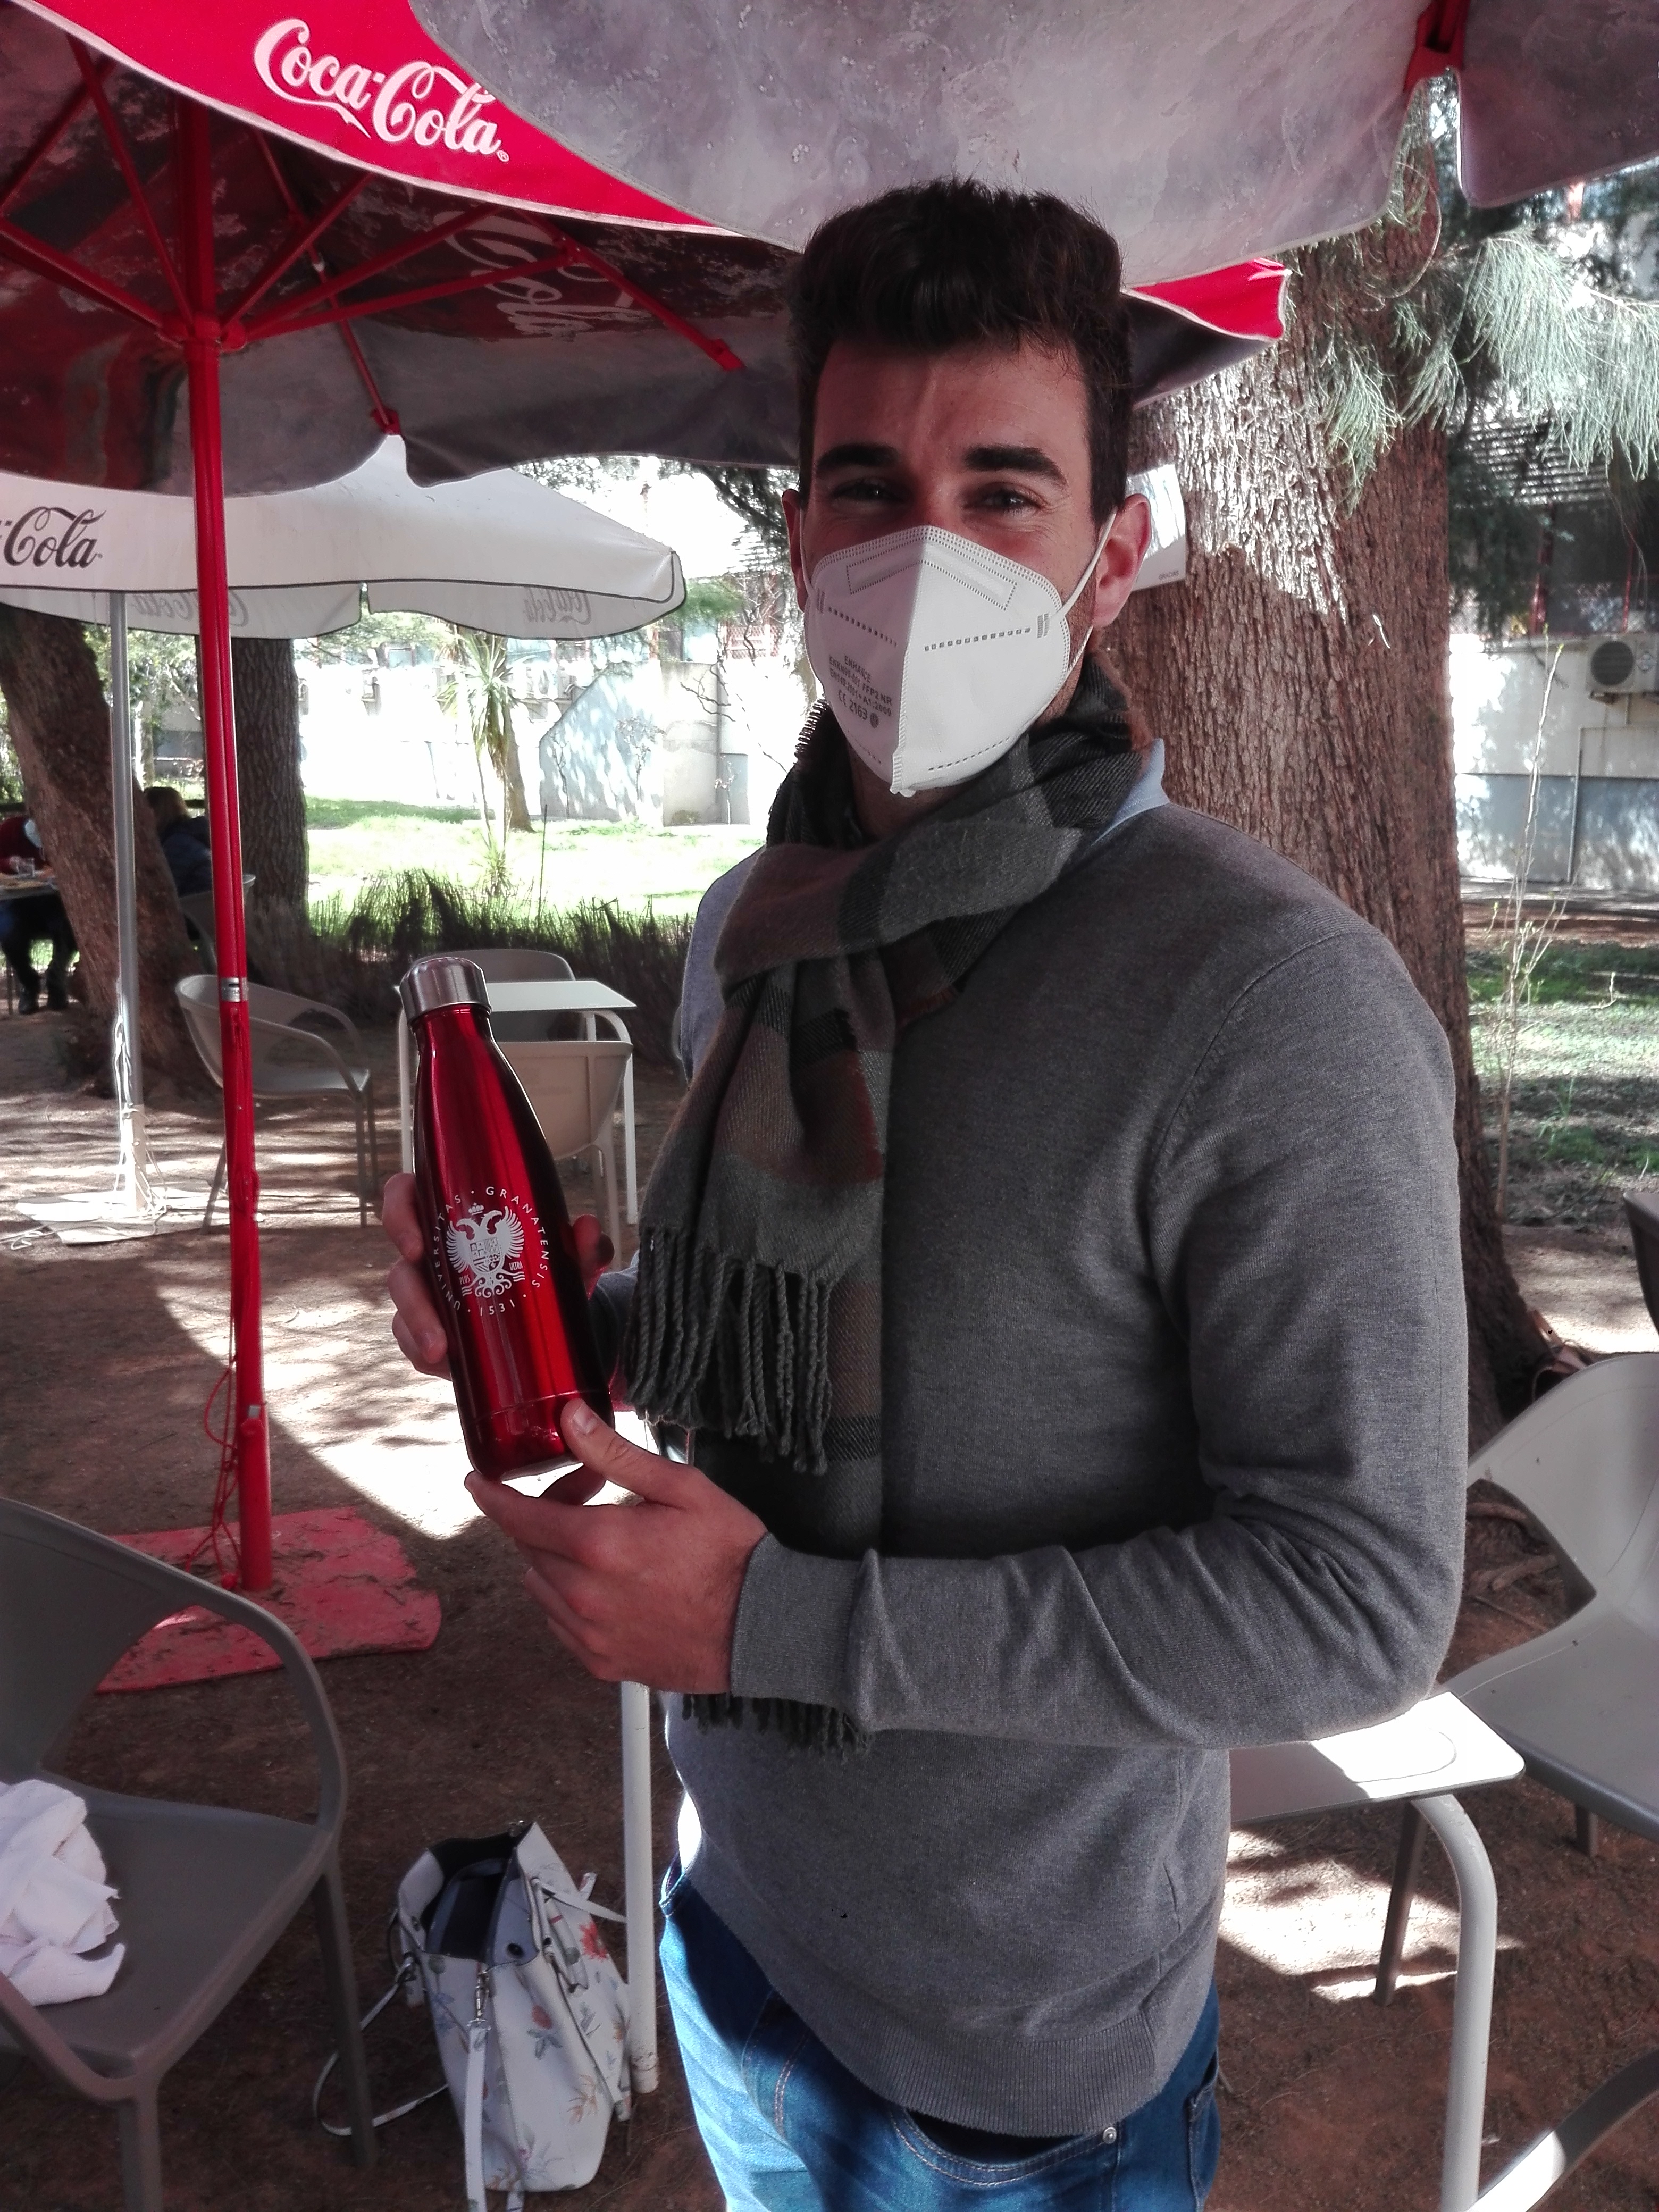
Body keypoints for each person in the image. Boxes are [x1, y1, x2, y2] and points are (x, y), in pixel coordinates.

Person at [384, 181, 1465, 2210]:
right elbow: (779, 1320)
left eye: (1002, 493)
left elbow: (1355, 1597)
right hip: (733, 1940)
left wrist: (773, 1624)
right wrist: (543, 1329)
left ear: (1110, 558)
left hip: (1014, 2082)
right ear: (798, 537)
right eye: (866, 488)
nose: (919, 556)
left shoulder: (1264, 1000)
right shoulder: (757, 922)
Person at [0, 809, 76, 1015]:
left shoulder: (66, 831)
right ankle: (29, 985)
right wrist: (10, 863)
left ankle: (56, 980)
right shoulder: (9, 829)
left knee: (70, 928)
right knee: (8, 933)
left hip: (53, 901)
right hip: (17, 902)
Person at [141, 785, 213, 899]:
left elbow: (162, 890)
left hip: (192, 905)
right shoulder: (187, 836)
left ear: (157, 812)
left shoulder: (177, 845)